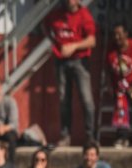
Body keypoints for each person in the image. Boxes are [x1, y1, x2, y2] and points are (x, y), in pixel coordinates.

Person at [44, 0, 96, 146]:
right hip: (60, 61)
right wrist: (56, 44)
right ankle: (65, 136)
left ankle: (90, 136)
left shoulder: (84, 15)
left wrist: (74, 46)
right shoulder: (55, 15)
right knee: (64, 100)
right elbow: (47, 28)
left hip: (80, 61)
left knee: (86, 100)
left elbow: (92, 41)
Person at [108, 24, 132, 148]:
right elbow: (110, 70)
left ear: (126, 34)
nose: (117, 37)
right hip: (119, 86)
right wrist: (111, 86)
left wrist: (130, 82)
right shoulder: (111, 52)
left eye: (119, 34)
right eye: (115, 35)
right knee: (120, 110)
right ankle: (122, 137)